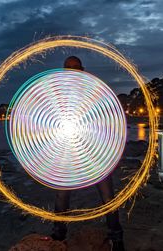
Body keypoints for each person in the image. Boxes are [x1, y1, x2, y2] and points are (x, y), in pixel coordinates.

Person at [51, 56, 125, 251]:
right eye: (68, 68)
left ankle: (116, 238)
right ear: (64, 70)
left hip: (94, 152)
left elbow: (106, 117)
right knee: (61, 196)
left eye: (76, 67)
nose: (72, 71)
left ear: (82, 70)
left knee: (108, 197)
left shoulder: (92, 91)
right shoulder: (57, 94)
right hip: (67, 150)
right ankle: (59, 235)